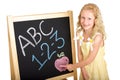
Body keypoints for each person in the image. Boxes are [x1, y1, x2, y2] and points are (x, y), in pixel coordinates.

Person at [61, 3, 109, 80]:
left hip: (97, 69)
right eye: (83, 18)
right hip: (84, 66)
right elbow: (80, 54)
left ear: (95, 20)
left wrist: (73, 66)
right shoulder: (79, 33)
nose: (85, 22)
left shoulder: (98, 37)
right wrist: (83, 70)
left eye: (89, 18)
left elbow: (90, 59)